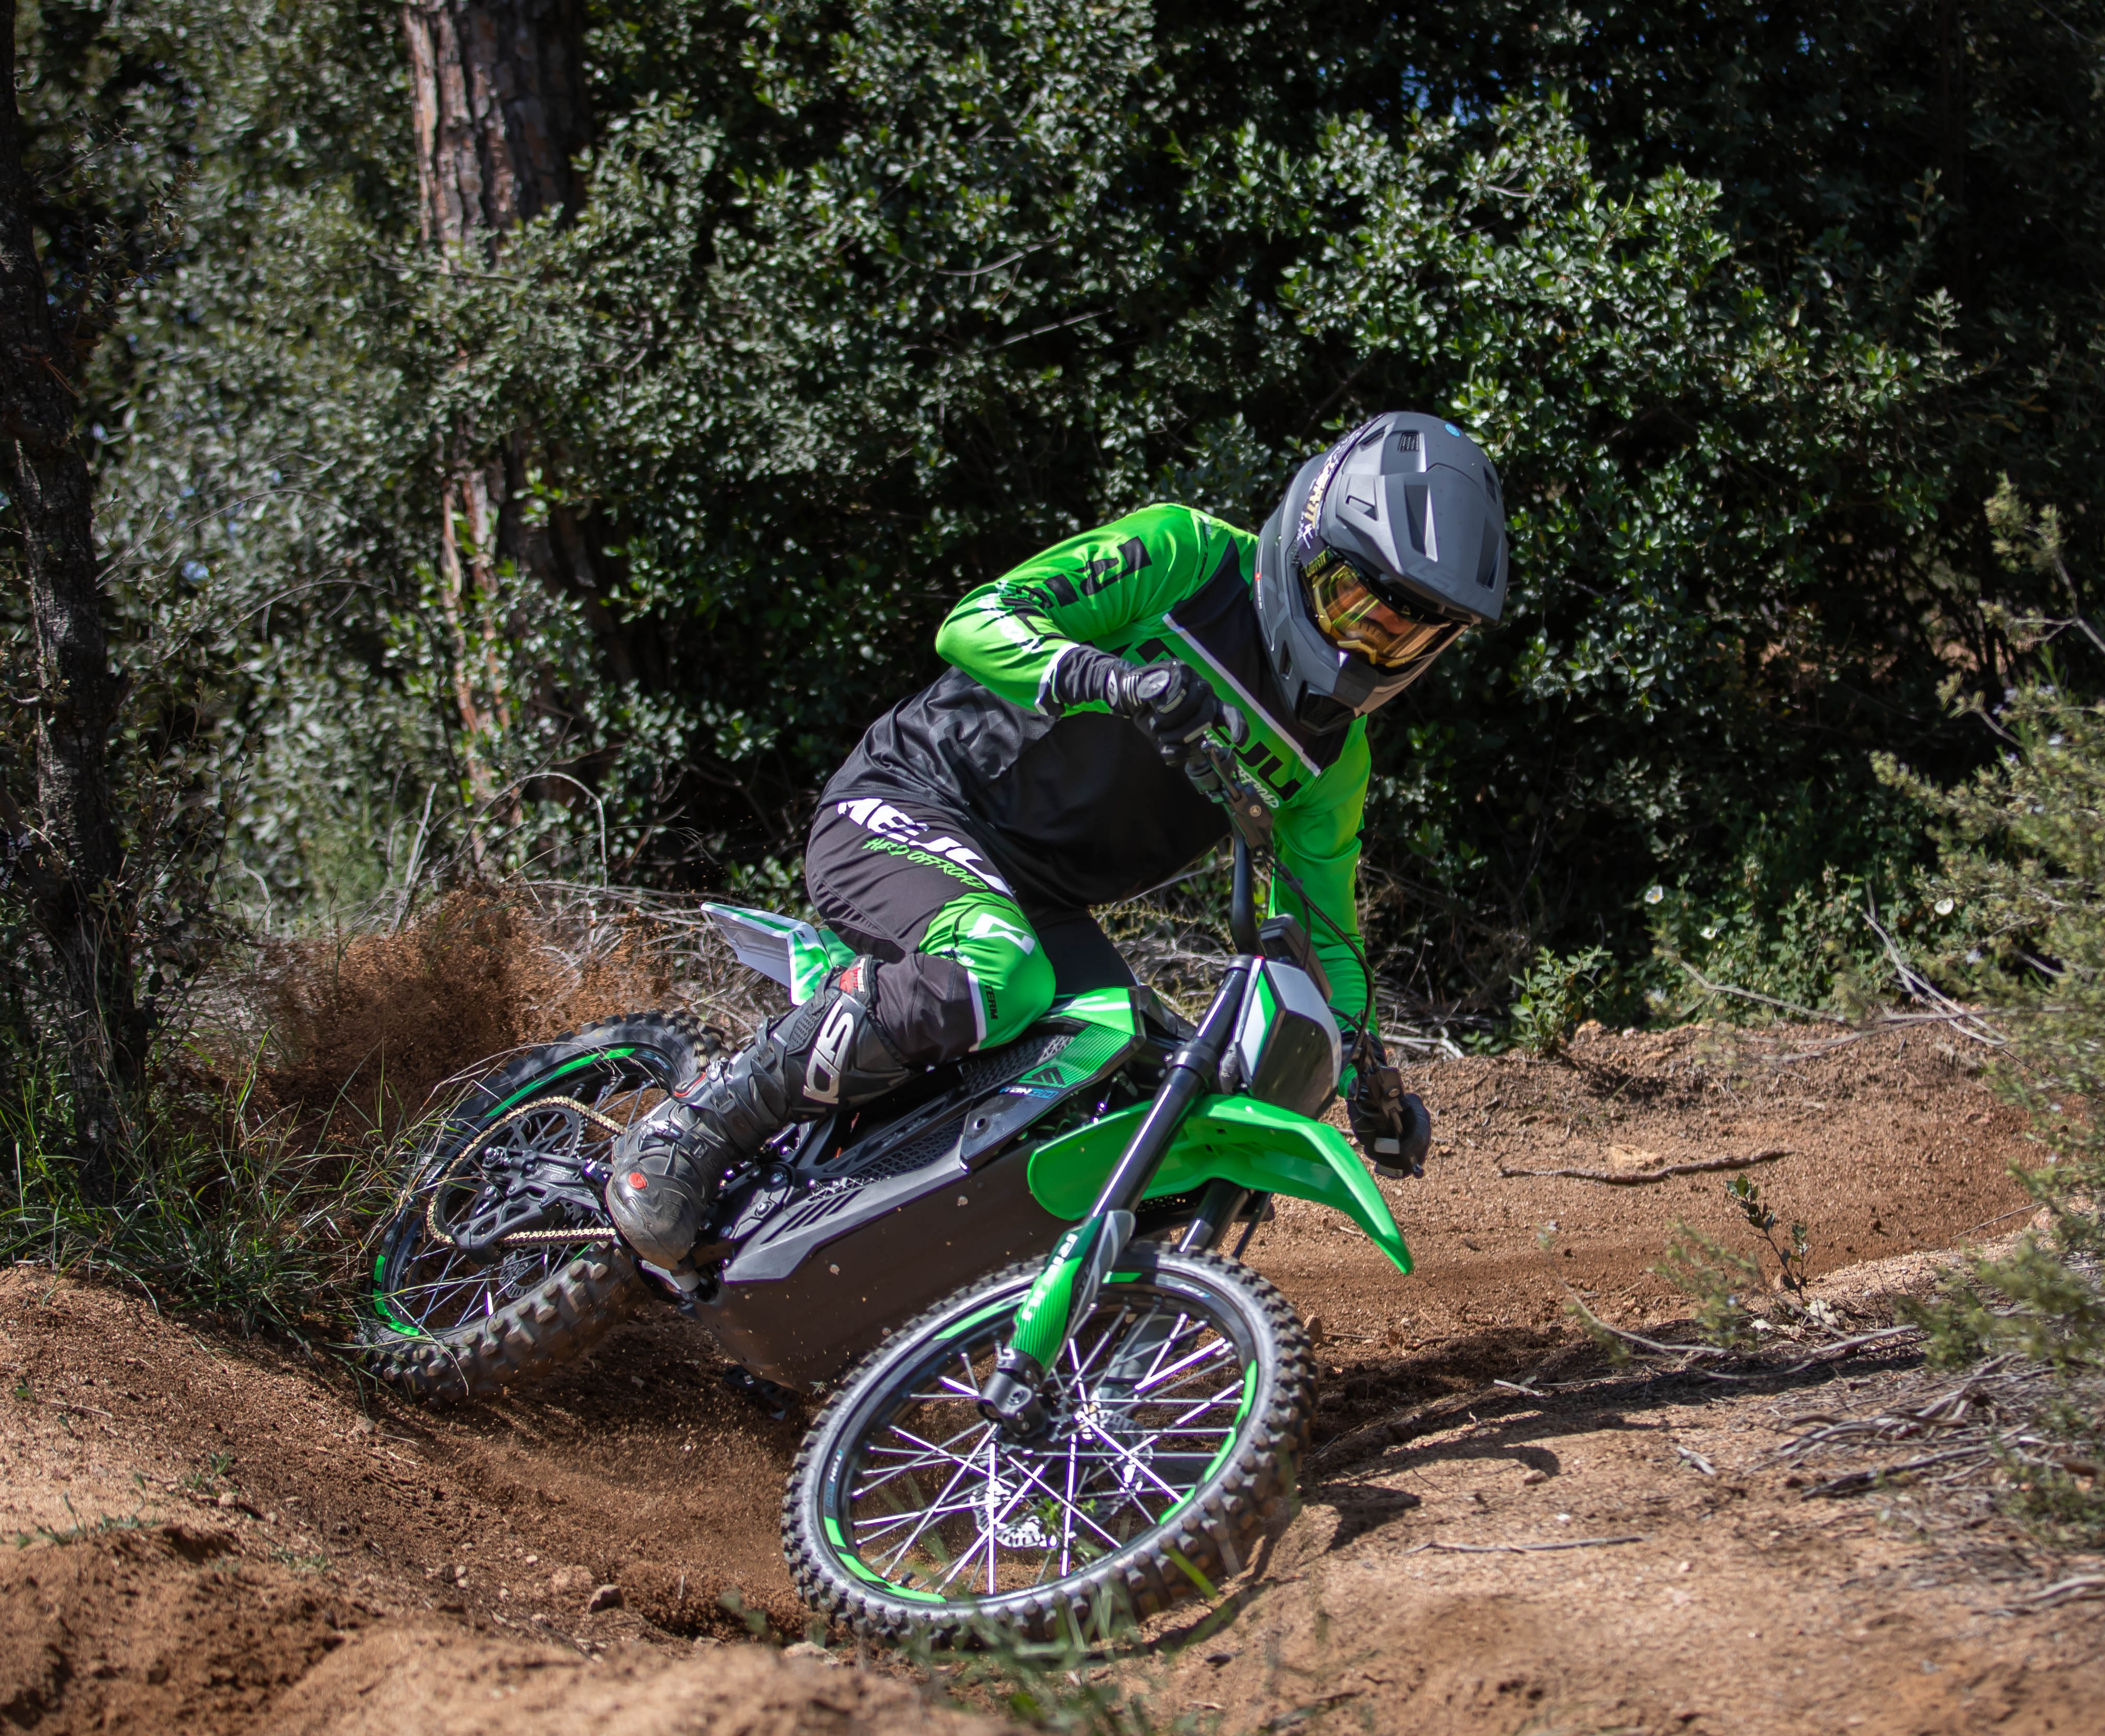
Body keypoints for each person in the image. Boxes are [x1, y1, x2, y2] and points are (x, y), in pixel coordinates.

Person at [605, 410, 1508, 1268]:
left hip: (1040, 902)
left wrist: (1367, 1071)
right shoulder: (1186, 557)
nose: (1366, 645)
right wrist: (1110, 679)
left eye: (1404, 636)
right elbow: (976, 620)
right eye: (1352, 602)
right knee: (993, 968)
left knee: (1137, 1091)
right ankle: (695, 1123)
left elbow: (1325, 935)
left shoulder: (1336, 757)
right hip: (914, 799)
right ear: (1304, 540)